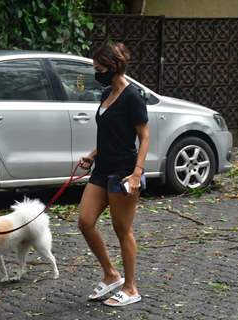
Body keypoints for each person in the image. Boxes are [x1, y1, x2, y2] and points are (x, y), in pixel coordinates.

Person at [78, 42, 150, 307]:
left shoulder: (133, 96)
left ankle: (131, 288)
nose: (96, 73)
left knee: (122, 230)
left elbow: (144, 137)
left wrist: (136, 174)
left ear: (113, 67)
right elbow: (111, 132)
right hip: (102, 168)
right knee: (85, 221)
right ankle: (111, 274)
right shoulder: (106, 92)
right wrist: (92, 154)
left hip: (123, 172)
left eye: (99, 68)